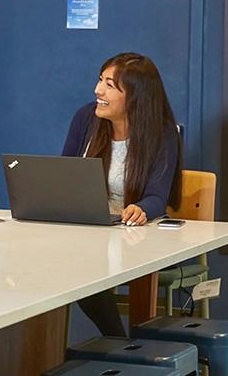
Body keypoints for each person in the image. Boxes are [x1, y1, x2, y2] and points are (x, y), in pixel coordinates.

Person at [62, 52, 183, 337]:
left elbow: (157, 196)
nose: (98, 91)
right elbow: (64, 174)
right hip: (89, 232)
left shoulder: (163, 134)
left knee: (81, 267)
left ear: (135, 97)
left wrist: (141, 209)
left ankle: (117, 342)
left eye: (109, 85)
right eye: (99, 80)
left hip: (134, 239)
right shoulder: (86, 118)